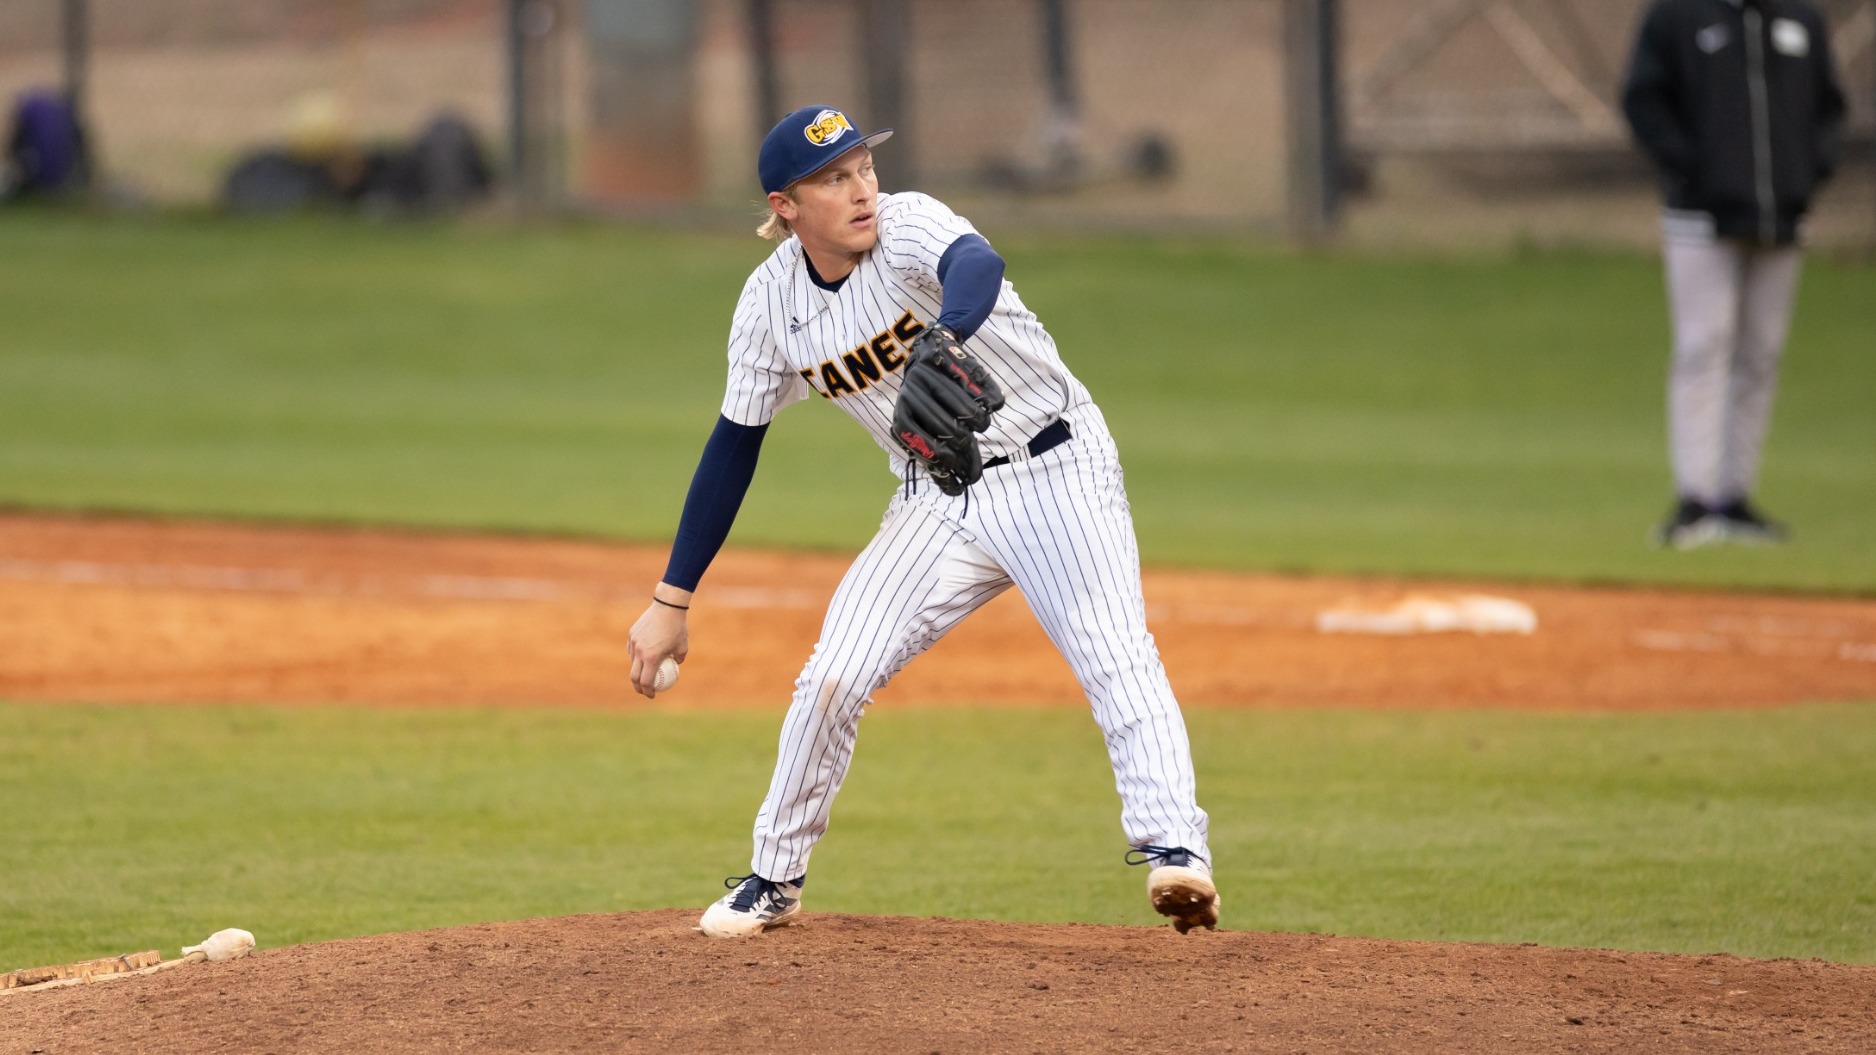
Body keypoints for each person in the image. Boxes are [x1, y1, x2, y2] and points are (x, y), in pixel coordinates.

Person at [625, 105, 1218, 938]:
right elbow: (734, 444)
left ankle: (1175, 851)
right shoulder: (769, 305)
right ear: (786, 205)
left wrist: (945, 333)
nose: (861, 188)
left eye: (863, 167)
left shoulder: (909, 225)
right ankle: (774, 876)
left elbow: (976, 262)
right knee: (833, 675)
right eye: (833, 179)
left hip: (1056, 467)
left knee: (1115, 655)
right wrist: (672, 596)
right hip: (934, 497)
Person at [1621, 0, 1846, 549]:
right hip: (1701, 216)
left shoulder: (1800, 19)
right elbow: (1644, 99)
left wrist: (1805, 175)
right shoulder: (1679, 15)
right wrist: (1692, 169)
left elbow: (1829, 109)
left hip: (1781, 215)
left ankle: (1735, 494)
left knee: (1760, 355)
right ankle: (1695, 498)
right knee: (1704, 346)